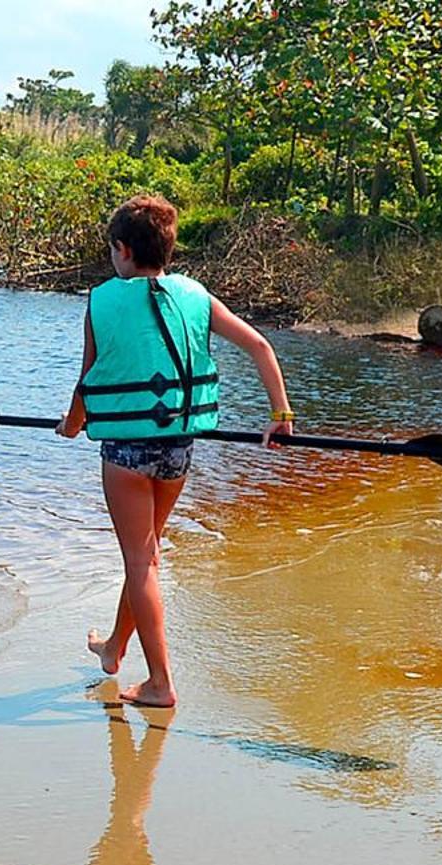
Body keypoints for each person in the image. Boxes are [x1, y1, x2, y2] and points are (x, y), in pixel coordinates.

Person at [56, 194, 295, 708]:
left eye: (113, 250)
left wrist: (72, 425)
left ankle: (161, 683)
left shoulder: (101, 301)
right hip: (178, 450)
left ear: (122, 249)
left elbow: (88, 380)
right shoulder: (197, 295)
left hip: (126, 451)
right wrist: (280, 417)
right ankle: (114, 647)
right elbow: (261, 347)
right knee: (147, 552)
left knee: (143, 561)